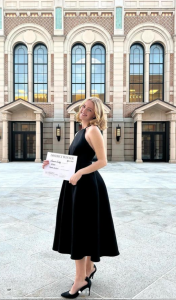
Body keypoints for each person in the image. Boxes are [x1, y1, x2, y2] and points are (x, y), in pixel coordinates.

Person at [42, 96, 120, 298]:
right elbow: (74, 161)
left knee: (80, 230)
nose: (84, 110)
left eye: (90, 109)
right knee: (83, 228)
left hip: (86, 185)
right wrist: (51, 165)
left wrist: (79, 173)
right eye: (84, 107)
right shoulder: (80, 132)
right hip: (77, 185)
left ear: (96, 114)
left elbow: (102, 161)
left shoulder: (93, 130)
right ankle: (89, 268)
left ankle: (80, 280)